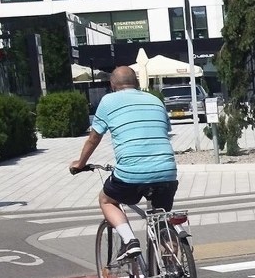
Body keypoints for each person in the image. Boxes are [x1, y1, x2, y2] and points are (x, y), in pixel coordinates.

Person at [69, 66, 178, 262]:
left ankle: (129, 241)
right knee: (162, 222)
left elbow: (94, 138)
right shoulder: (155, 100)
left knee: (107, 199)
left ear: (112, 85)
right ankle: (173, 272)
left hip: (131, 173)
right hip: (167, 171)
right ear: (136, 82)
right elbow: (164, 131)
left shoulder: (108, 101)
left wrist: (80, 163)